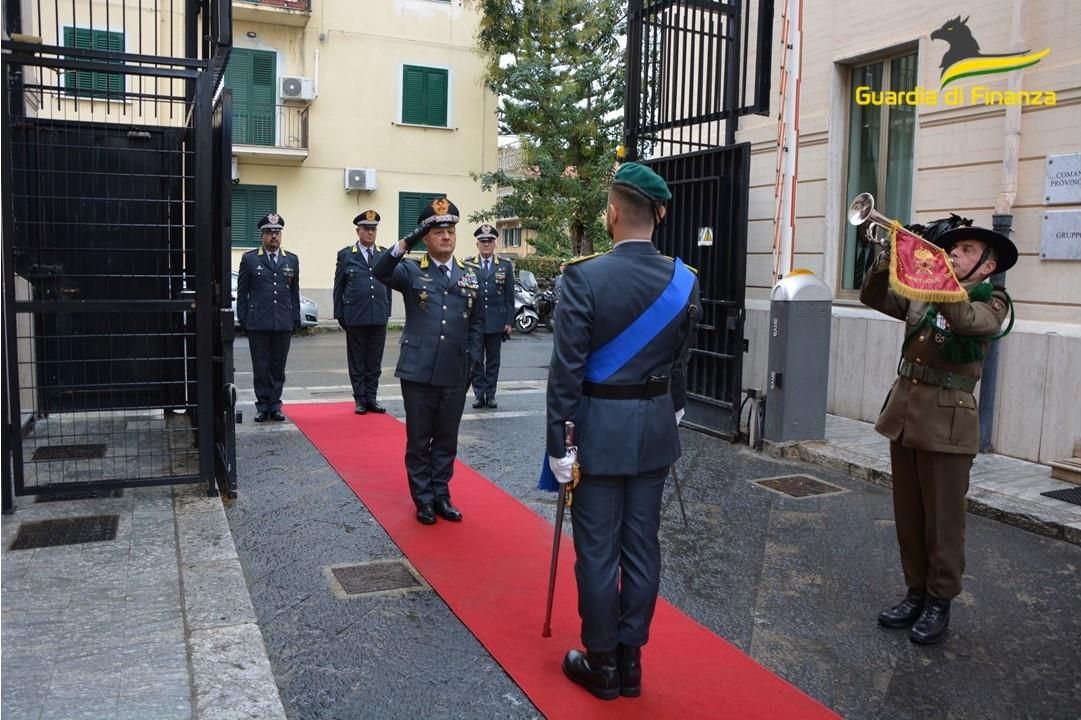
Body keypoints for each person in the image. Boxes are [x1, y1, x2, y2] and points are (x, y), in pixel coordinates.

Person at [546, 163, 699, 700]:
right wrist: (671, 410)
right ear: (659, 215)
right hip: (654, 429)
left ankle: (602, 661)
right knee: (642, 546)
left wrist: (559, 444)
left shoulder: (583, 276)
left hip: (598, 433)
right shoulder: (685, 279)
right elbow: (681, 361)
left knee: (597, 551)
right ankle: (632, 661)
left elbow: (566, 371)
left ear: (612, 213)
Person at [860, 218, 1016, 645]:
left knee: (943, 521)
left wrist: (932, 270)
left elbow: (964, 321)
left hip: (947, 422)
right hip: (905, 413)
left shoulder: (993, 302)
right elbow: (874, 296)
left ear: (987, 266)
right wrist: (891, 253)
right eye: (953, 249)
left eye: (966, 250)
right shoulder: (925, 292)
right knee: (909, 515)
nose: (954, 255)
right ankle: (915, 592)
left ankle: (939, 600)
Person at [373, 198, 483, 525]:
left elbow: (477, 322)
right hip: (418, 369)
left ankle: (441, 495)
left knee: (447, 438)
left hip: (455, 369)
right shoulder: (410, 270)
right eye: (438, 232)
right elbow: (380, 270)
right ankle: (422, 499)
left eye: (450, 231)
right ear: (426, 238)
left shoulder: (470, 274)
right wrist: (409, 239)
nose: (446, 237)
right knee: (420, 438)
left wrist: (474, 361)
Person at [237, 212, 301, 423]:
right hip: (258, 322)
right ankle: (262, 406)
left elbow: (294, 292)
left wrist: (295, 318)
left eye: (277, 233)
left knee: (277, 367)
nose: (274, 236)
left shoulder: (291, 259)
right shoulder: (250, 259)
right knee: (261, 367)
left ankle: (275, 406)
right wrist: (244, 319)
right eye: (270, 232)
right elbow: (243, 292)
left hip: (282, 321)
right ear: (262, 235)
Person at [333, 210, 393, 415]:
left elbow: (388, 285)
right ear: (358, 231)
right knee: (357, 361)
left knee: (374, 361)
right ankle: (360, 399)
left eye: (373, 229)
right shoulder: (346, 255)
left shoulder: (383, 254)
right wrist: (340, 314)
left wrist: (387, 310)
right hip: (355, 316)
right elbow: (339, 287)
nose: (370, 232)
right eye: (366, 229)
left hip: (378, 315)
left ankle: (372, 398)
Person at [465, 224, 514, 409]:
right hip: (475, 322)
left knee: (493, 361)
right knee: (476, 359)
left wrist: (509, 321)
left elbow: (509, 296)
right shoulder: (468, 265)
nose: (486, 244)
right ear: (477, 244)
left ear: (494, 244)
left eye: (489, 241)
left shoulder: (504, 265)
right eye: (482, 241)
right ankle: (479, 395)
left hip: (496, 321)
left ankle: (491, 394)